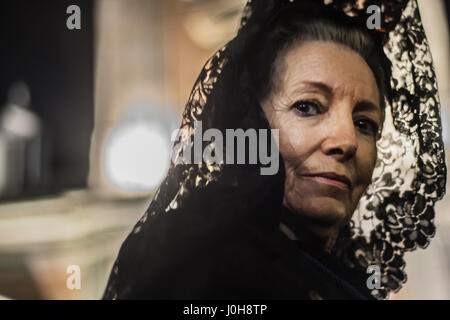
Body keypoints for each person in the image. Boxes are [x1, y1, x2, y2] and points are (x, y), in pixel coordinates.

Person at [103, 0, 446, 300]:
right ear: (248, 122)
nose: (346, 141)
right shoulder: (198, 268)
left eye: (365, 123)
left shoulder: (338, 278)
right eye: (308, 106)